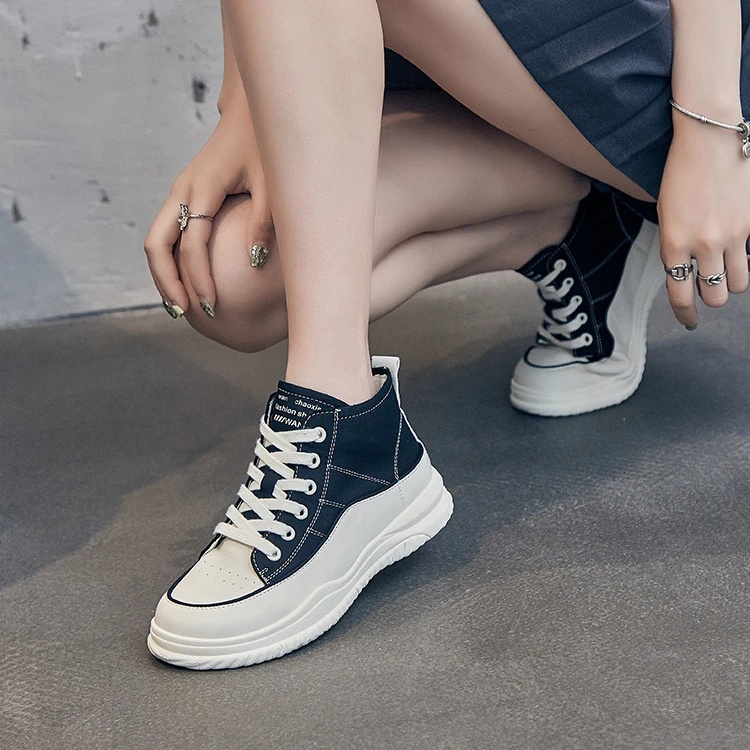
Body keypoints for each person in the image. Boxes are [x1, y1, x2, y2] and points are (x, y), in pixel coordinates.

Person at [143, 0, 750, 669]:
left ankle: (340, 412)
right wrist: (242, 106)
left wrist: (712, 130)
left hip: (664, 62)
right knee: (229, 285)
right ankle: (587, 229)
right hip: (470, 57)